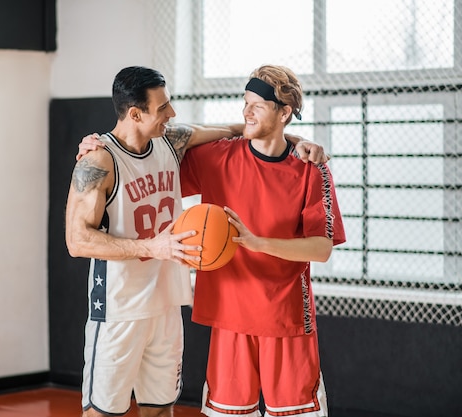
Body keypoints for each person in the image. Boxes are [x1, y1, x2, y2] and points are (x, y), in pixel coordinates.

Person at [65, 66, 328, 417]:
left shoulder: (170, 145)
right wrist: (151, 248)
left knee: (160, 408)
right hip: (120, 309)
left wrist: (295, 138)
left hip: (167, 302)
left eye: (169, 105)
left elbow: (238, 130)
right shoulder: (100, 159)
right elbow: (76, 241)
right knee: (103, 413)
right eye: (163, 108)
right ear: (135, 114)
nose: (171, 114)